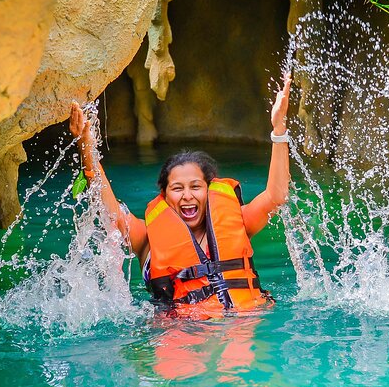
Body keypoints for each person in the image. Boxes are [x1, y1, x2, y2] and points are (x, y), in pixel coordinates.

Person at [69, 74, 292, 318]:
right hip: (180, 336)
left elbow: (276, 196)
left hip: (241, 327)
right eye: (177, 189)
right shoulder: (146, 239)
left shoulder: (238, 221)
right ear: (164, 195)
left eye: (195, 187)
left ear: (209, 190)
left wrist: (279, 130)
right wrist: (86, 149)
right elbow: (110, 213)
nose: (187, 196)